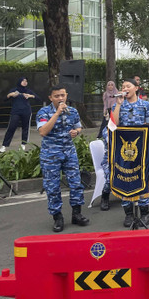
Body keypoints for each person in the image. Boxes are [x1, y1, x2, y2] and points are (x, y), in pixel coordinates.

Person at [36, 84, 89, 232]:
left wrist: (76, 132)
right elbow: (43, 132)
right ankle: (57, 217)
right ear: (50, 98)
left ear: (66, 95)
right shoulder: (44, 112)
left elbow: (79, 127)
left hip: (69, 152)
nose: (60, 98)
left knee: (76, 183)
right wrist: (57, 113)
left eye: (63, 95)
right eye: (57, 96)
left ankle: (77, 214)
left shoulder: (72, 111)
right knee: (52, 187)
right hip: (50, 154)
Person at [106, 78, 149, 225]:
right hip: (123, 149)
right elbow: (113, 125)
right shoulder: (117, 104)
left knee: (142, 176)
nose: (125, 88)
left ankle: (144, 211)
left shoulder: (145, 105)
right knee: (124, 176)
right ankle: (128, 212)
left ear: (136, 88)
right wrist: (119, 104)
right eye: (123, 86)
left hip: (141, 147)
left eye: (128, 86)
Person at [0, 77, 41, 153]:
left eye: (26, 81)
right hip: (15, 112)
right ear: (19, 82)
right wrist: (10, 95)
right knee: (11, 127)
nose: (25, 82)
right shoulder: (13, 90)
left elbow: (38, 98)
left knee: (25, 128)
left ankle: (23, 144)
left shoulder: (28, 91)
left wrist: (30, 96)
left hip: (26, 112)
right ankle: (4, 146)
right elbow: (4, 99)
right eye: (23, 81)